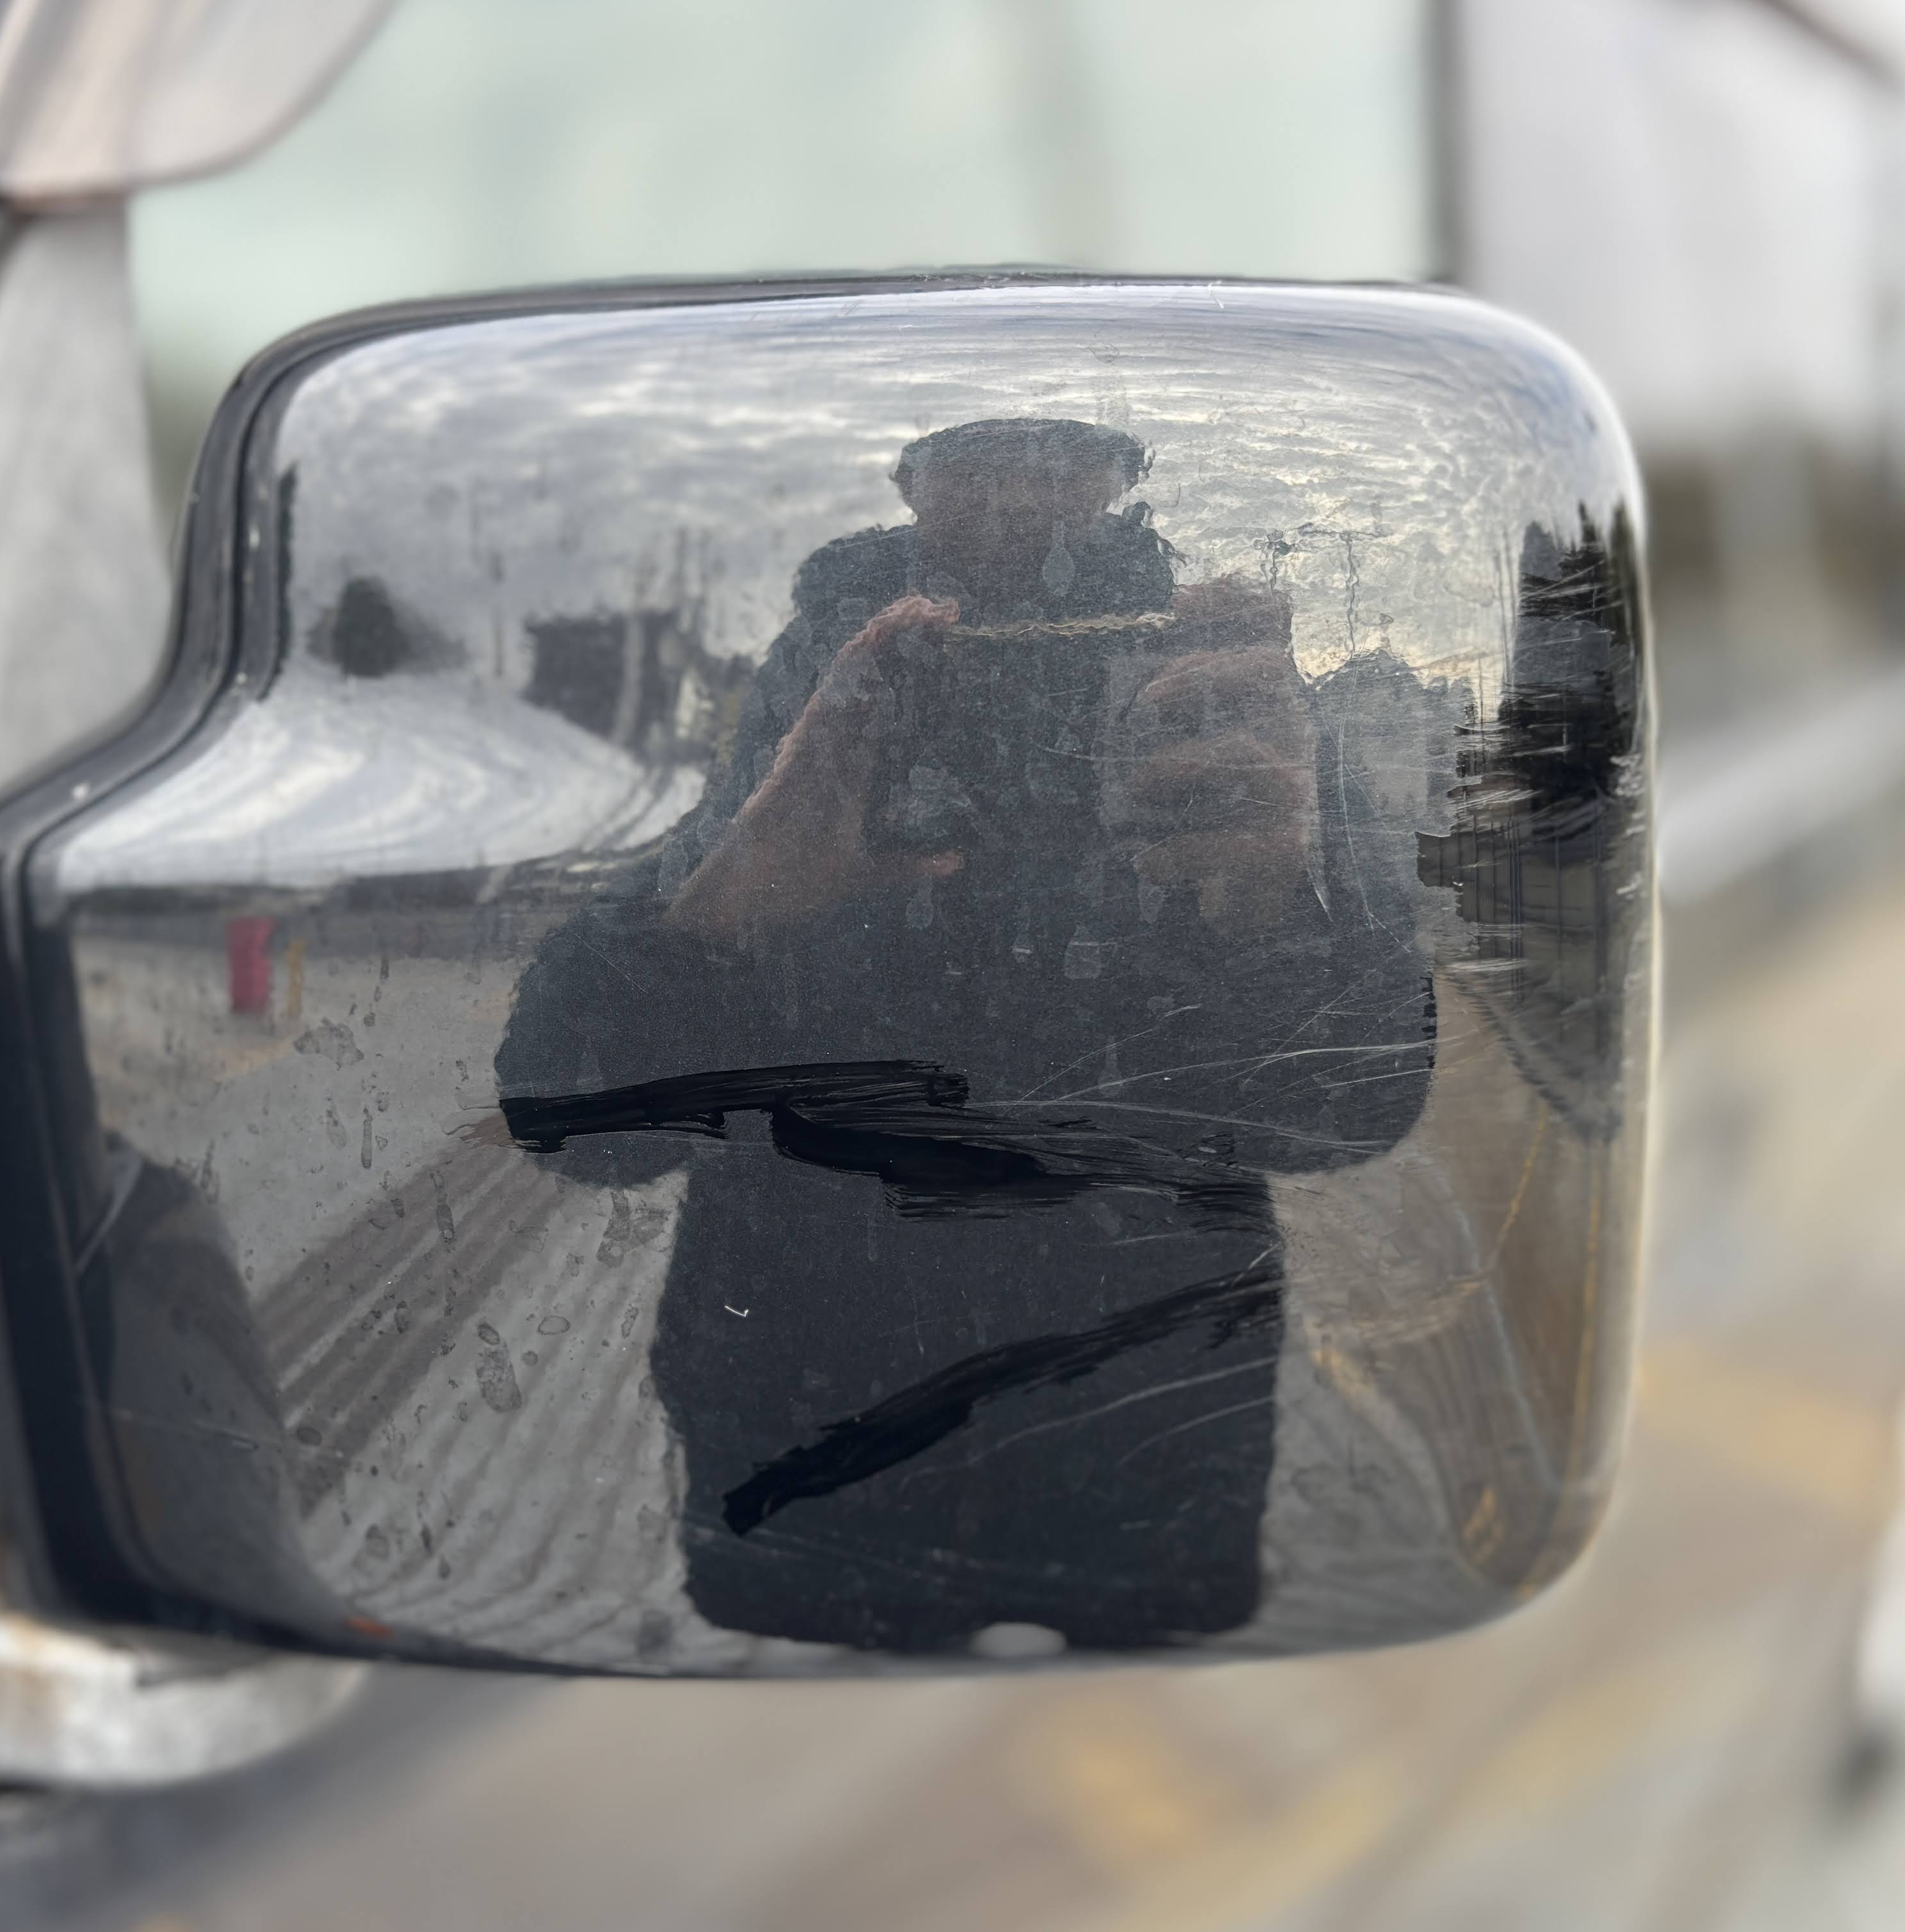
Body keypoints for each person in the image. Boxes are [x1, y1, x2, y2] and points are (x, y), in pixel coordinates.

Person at [495, 418, 1433, 1653]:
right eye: (978, 463)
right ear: (911, 482)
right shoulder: (826, 677)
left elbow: (1352, 1110)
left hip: (1138, 1418)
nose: (1017, 497)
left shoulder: (1211, 684)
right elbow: (574, 1121)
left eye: (1057, 460)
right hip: (818, 1421)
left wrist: (1269, 906)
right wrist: (726, 905)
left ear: (1120, 481)